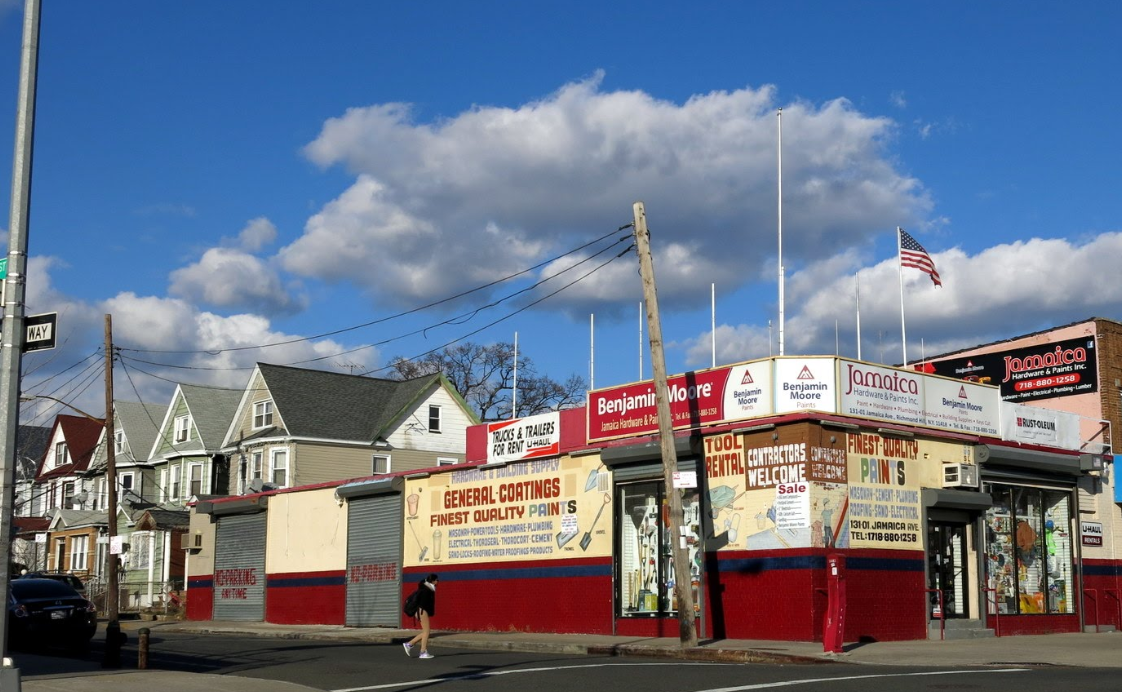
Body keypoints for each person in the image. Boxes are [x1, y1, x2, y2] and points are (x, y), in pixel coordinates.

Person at [403, 573, 438, 659]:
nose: (438, 582)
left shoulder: (426, 588)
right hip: (422, 611)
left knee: (426, 631)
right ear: (433, 581)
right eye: (437, 580)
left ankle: (410, 644)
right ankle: (422, 651)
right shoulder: (427, 590)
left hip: (421, 611)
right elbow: (423, 603)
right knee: (427, 631)